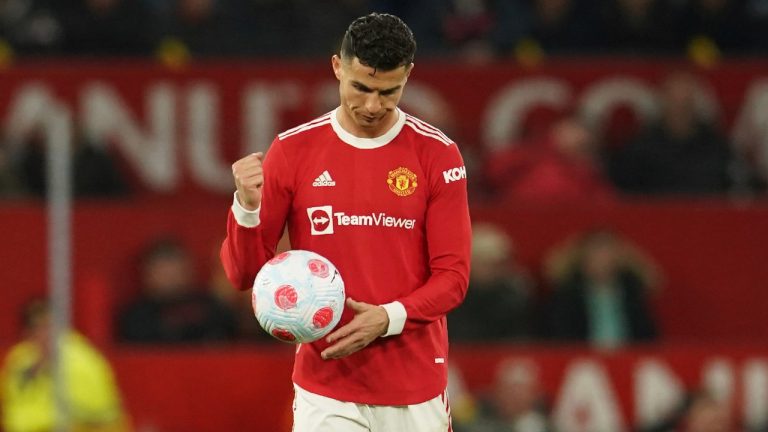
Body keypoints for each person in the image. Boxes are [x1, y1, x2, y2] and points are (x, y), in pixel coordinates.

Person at [220, 12, 471, 431]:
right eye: (361, 87)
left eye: (389, 92)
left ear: (408, 75)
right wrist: (246, 207)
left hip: (415, 386)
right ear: (337, 66)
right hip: (327, 389)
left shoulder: (438, 155)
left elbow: (454, 277)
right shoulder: (293, 150)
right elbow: (243, 274)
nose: (372, 105)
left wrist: (387, 317)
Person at [1, 299, 129, 432]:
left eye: (49, 326)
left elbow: (99, 415)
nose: (44, 333)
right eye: (36, 327)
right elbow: (11, 406)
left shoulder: (83, 361)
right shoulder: (19, 359)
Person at [546, 228, 659, 348]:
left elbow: (648, 337)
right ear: (582, 259)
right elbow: (560, 338)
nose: (602, 263)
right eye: (595, 255)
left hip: (628, 359)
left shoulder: (632, 294)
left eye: (607, 256)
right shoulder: (566, 296)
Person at [117, 237, 238, 344]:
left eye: (175, 267)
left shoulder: (210, 307)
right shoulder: (136, 316)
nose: (170, 276)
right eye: (162, 269)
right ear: (146, 273)